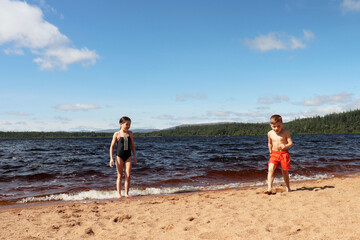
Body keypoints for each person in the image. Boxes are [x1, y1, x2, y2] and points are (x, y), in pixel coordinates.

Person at [109, 116, 137, 198]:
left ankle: (126, 193)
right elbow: (112, 146)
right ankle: (119, 193)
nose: (128, 126)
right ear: (121, 124)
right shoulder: (117, 134)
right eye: (126, 124)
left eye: (129, 124)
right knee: (120, 175)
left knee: (128, 175)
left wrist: (135, 157)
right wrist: (111, 158)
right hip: (119, 156)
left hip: (128, 156)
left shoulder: (130, 133)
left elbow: (132, 146)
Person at [265, 114, 293, 194]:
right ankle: (269, 188)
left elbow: (291, 143)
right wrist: (270, 150)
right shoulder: (270, 133)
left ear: (282, 124)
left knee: (284, 171)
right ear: (271, 125)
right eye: (274, 126)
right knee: (270, 169)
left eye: (278, 126)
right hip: (274, 154)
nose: (276, 128)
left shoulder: (285, 132)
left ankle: (288, 187)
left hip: (283, 153)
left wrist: (285, 146)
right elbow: (269, 143)